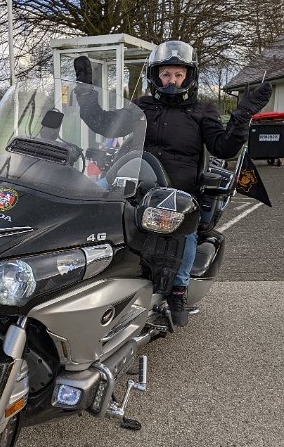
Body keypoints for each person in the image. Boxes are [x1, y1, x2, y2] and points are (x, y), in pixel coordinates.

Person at [74, 40, 272, 326]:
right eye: (166, 74)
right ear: (155, 76)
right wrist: (84, 90)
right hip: (135, 182)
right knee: (89, 204)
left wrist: (241, 117)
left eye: (179, 74)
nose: (172, 80)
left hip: (176, 191)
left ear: (189, 77)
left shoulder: (202, 111)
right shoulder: (141, 107)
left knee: (185, 227)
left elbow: (223, 147)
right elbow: (103, 124)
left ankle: (179, 289)